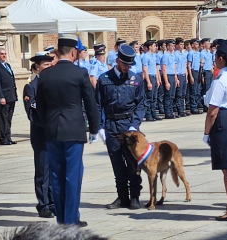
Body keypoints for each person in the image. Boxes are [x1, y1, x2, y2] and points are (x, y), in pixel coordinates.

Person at [36, 33, 99, 227]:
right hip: (73, 130)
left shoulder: (45, 75)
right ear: (73, 52)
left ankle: (62, 218)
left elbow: (40, 107)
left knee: (56, 176)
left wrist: (46, 125)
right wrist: (94, 128)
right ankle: (71, 220)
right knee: (72, 176)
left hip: (52, 131)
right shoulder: (79, 74)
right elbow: (90, 104)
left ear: (57, 52)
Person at [96, 44, 145, 210]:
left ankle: (135, 197)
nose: (127, 68)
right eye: (124, 64)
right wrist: (99, 127)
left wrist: (134, 125)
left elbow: (140, 104)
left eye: (129, 65)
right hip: (111, 125)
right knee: (117, 164)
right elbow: (98, 104)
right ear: (117, 61)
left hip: (129, 127)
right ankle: (122, 197)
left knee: (133, 164)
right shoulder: (104, 80)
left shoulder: (136, 80)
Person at [203, 39, 227, 221]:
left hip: (224, 121)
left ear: (220, 59)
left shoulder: (221, 80)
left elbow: (213, 110)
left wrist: (206, 133)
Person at [24, 52, 54, 218]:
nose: (49, 67)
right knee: (43, 171)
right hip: (42, 134)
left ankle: (53, 202)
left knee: (54, 170)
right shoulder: (31, 86)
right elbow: (34, 113)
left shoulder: (53, 84)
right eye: (45, 65)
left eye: (50, 65)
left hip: (55, 135)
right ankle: (43, 204)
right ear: (37, 67)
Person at [0, 48, 18, 145]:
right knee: (3, 118)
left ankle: (8, 137)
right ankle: (3, 138)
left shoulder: (7, 65)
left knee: (9, 118)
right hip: (4, 96)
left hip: (11, 95)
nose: (4, 55)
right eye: (2, 54)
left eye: (5, 54)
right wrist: (0, 96)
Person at [142, 40, 162, 121]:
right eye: (154, 46)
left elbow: (156, 69)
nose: (155, 47)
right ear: (150, 47)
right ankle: (148, 114)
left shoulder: (154, 55)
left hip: (154, 76)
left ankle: (154, 113)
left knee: (154, 97)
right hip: (149, 77)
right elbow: (145, 70)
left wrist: (157, 79)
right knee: (149, 97)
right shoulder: (146, 56)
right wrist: (148, 82)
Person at [162, 39, 179, 119]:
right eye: (171, 46)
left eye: (173, 46)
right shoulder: (165, 55)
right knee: (168, 95)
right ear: (168, 46)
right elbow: (164, 69)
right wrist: (166, 82)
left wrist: (176, 78)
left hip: (172, 75)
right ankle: (167, 112)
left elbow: (174, 68)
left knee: (172, 95)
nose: (173, 47)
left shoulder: (173, 55)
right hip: (168, 76)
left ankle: (171, 111)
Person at [174, 38, 190, 117]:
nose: (182, 46)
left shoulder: (183, 54)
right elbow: (175, 67)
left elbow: (185, 66)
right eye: (180, 44)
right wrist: (176, 78)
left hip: (183, 74)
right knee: (179, 94)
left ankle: (182, 109)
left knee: (183, 94)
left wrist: (186, 76)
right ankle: (179, 110)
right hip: (179, 75)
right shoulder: (175, 54)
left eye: (183, 44)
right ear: (176, 45)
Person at [187, 39, 203, 114]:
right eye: (195, 44)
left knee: (197, 90)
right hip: (193, 71)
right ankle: (193, 107)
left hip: (198, 71)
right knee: (193, 91)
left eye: (197, 44)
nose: (197, 45)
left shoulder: (198, 53)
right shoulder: (191, 53)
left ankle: (196, 105)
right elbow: (189, 65)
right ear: (192, 45)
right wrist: (191, 76)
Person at [156, 40, 166, 115]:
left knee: (163, 91)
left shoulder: (164, 54)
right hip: (159, 72)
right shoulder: (158, 55)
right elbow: (158, 66)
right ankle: (160, 107)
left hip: (164, 72)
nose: (165, 47)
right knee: (160, 92)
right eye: (163, 45)